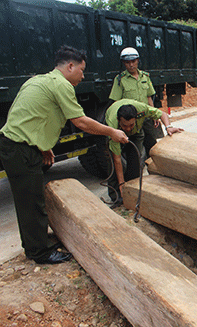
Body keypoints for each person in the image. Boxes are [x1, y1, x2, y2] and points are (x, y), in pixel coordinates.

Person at [0, 46, 128, 264]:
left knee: (31, 199)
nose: (83, 75)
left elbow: (29, 115)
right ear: (70, 66)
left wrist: (42, 145)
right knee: (31, 203)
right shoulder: (62, 85)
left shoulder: (38, 80)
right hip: (20, 149)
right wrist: (111, 131)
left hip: (18, 145)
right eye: (82, 70)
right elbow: (80, 121)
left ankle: (37, 242)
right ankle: (39, 252)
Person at [105, 99, 183, 203]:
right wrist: (121, 183)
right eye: (125, 125)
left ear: (136, 118)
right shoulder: (112, 124)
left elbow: (162, 114)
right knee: (114, 166)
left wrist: (168, 127)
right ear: (118, 120)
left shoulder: (143, 109)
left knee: (135, 162)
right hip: (116, 132)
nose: (128, 129)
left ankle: (133, 192)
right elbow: (117, 159)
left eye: (131, 125)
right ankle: (117, 197)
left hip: (136, 133)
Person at [109, 47, 163, 158]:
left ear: (138, 60)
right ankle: (136, 170)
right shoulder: (120, 80)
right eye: (127, 62)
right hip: (131, 120)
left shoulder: (145, 77)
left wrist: (154, 116)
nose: (131, 65)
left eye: (133, 61)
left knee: (152, 144)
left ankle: (154, 168)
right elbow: (116, 102)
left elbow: (149, 97)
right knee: (134, 148)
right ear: (124, 63)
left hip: (145, 116)